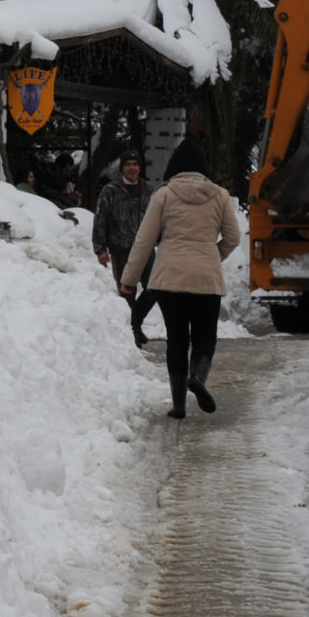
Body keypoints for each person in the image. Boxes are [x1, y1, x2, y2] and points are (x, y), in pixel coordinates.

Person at [118, 140, 240, 419]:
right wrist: (211, 256)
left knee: (177, 339)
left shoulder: (163, 195)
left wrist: (129, 279)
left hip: (169, 278)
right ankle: (198, 376)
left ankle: (179, 406)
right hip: (206, 280)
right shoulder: (219, 195)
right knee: (205, 336)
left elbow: (144, 240)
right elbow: (233, 237)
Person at [91, 153, 155, 347]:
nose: (132, 168)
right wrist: (100, 248)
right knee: (127, 291)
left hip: (145, 247)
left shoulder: (149, 190)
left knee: (155, 287)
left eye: (135, 164)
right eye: (128, 164)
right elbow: (100, 219)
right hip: (121, 247)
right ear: (122, 168)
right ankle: (132, 332)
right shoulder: (111, 190)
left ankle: (135, 323)